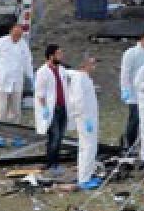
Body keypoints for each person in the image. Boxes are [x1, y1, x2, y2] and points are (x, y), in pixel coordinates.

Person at [0, 24, 33, 123]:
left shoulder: (23, 44)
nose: (17, 37)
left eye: (19, 35)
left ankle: (15, 134)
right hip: (2, 81)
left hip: (17, 81)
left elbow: (27, 62)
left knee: (16, 110)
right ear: (11, 32)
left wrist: (31, 77)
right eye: (15, 34)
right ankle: (0, 134)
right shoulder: (1, 42)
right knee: (1, 110)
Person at [34, 44, 70, 173]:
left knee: (60, 137)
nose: (61, 56)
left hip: (63, 107)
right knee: (54, 136)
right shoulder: (42, 72)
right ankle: (51, 163)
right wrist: (44, 109)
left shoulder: (62, 70)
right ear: (51, 56)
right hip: (51, 109)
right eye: (58, 54)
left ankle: (55, 162)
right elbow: (40, 93)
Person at [66, 54, 100, 189]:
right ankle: (84, 179)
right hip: (85, 118)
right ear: (83, 64)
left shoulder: (85, 78)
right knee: (88, 147)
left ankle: (88, 175)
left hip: (90, 117)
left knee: (90, 147)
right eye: (91, 62)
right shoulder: (79, 78)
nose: (94, 65)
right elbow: (78, 100)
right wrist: (85, 119)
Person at [119, 30, 144, 154]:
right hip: (134, 94)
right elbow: (125, 73)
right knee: (134, 119)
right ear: (143, 38)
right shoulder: (131, 53)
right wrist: (125, 90)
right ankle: (129, 145)